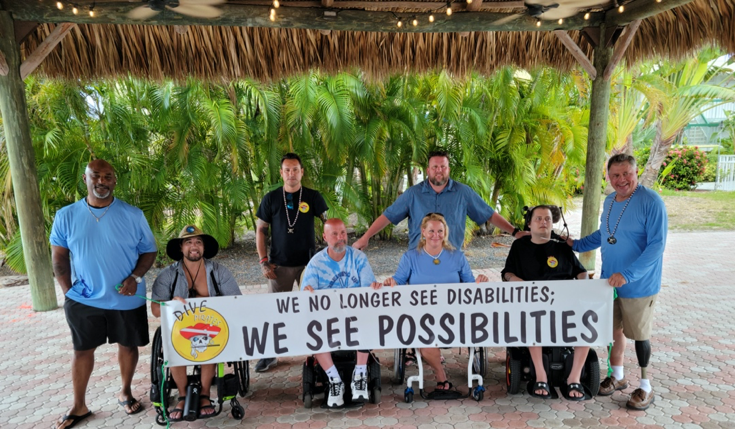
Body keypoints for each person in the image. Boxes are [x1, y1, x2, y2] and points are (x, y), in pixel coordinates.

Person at [50, 159, 157, 429]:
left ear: (115, 181)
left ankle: (125, 391)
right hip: (83, 298)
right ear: (85, 179)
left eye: (108, 177)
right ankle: (79, 405)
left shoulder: (133, 214)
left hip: (127, 297)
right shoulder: (66, 215)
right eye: (96, 176)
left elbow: (149, 250)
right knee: (82, 350)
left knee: (128, 345)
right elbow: (59, 257)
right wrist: (68, 292)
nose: (102, 181)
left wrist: (135, 277)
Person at [567, 154, 667, 411]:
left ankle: (646, 387)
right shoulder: (610, 200)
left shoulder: (651, 201)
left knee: (640, 336)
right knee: (613, 332)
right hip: (608, 282)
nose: (621, 180)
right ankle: (618, 376)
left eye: (626, 174)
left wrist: (628, 274)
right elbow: (605, 234)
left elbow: (657, 246)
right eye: (615, 175)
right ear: (608, 177)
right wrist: (576, 245)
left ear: (636, 173)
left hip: (639, 285)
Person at [379, 213, 488, 393]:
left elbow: (469, 284)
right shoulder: (410, 257)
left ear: (445, 232)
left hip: (453, 315)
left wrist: (479, 282)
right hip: (422, 316)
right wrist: (391, 282)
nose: (435, 235)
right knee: (425, 340)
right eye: (431, 231)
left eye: (439, 231)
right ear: (423, 232)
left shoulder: (457, 256)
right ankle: (440, 374)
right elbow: (398, 280)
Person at [151, 225, 242, 421]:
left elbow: (237, 301)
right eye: (189, 242)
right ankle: (183, 395)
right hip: (180, 329)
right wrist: (169, 305)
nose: (194, 246)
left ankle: (204, 395)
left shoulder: (219, 272)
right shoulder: (168, 275)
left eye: (198, 242)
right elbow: (155, 310)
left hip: (210, 327)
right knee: (173, 346)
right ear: (181, 248)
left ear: (204, 248)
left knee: (209, 344)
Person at [353, 150, 527, 251]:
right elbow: (388, 216)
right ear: (427, 170)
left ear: (448, 169)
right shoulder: (413, 194)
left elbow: (489, 214)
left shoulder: (463, 192)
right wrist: (366, 237)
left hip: (452, 259)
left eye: (443, 166)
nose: (439, 170)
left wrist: (515, 232)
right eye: (435, 167)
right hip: (418, 259)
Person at [502, 205, 590, 400]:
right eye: (538, 219)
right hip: (534, 304)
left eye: (547, 219)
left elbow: (581, 271)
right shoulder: (520, 246)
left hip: (565, 304)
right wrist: (517, 281)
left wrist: (583, 286)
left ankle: (574, 378)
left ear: (553, 222)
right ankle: (541, 376)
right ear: (529, 223)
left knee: (587, 324)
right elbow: (507, 273)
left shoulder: (562, 247)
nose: (543, 222)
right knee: (534, 320)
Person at [254, 153, 329, 372]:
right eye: (287, 170)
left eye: (295, 169)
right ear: (281, 173)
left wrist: (329, 256)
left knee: (315, 308)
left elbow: (329, 225)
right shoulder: (271, 198)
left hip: (310, 265)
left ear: (302, 171)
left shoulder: (314, 197)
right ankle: (270, 354)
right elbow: (261, 230)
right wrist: (263, 262)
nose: (291, 174)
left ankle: (322, 351)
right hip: (280, 265)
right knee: (275, 311)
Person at [300, 218, 381, 407]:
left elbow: (367, 292)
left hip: (354, 316)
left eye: (343, 233)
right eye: (334, 234)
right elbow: (306, 296)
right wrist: (308, 292)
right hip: (327, 318)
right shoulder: (316, 264)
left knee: (367, 320)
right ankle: (334, 380)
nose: (340, 238)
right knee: (313, 331)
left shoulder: (358, 258)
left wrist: (374, 287)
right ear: (325, 237)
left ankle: (360, 375)